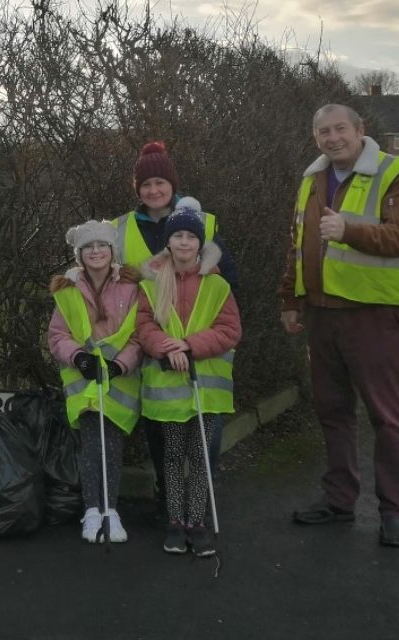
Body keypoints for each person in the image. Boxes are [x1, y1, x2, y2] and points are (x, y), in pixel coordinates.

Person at [279, 104, 399, 548]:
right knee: (333, 413)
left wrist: (350, 231)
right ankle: (339, 501)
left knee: (386, 417)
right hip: (321, 314)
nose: (332, 137)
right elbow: (298, 243)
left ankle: (395, 512)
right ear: (315, 137)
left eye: (340, 128)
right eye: (323, 131)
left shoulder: (392, 171)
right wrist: (290, 299)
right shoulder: (311, 179)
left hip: (372, 315)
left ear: (360, 130)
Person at [111, 141, 238, 516]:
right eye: (145, 184)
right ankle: (170, 504)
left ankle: (198, 509)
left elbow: (227, 283)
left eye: (160, 182)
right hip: (148, 344)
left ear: (172, 184)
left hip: (200, 348)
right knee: (160, 432)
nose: (153, 190)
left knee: (203, 438)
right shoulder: (121, 228)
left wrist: (195, 341)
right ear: (137, 189)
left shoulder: (205, 223)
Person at [136, 201, 241, 557]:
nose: (183, 243)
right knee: (171, 456)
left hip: (205, 388)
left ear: (200, 243)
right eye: (177, 236)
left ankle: (197, 522)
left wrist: (189, 345)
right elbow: (143, 326)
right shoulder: (151, 284)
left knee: (199, 457)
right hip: (167, 390)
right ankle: (174, 522)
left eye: (190, 237)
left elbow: (229, 330)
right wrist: (167, 346)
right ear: (168, 242)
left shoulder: (217, 284)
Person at [48, 220, 142, 543]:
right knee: (91, 446)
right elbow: (57, 335)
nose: (96, 251)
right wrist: (79, 357)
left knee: (111, 446)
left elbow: (138, 335)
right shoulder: (68, 290)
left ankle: (110, 511)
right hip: (83, 380)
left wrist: (119, 366)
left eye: (101, 245)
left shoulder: (131, 288)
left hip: (118, 381)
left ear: (112, 250)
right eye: (88, 247)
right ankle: (91, 512)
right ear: (79, 254)